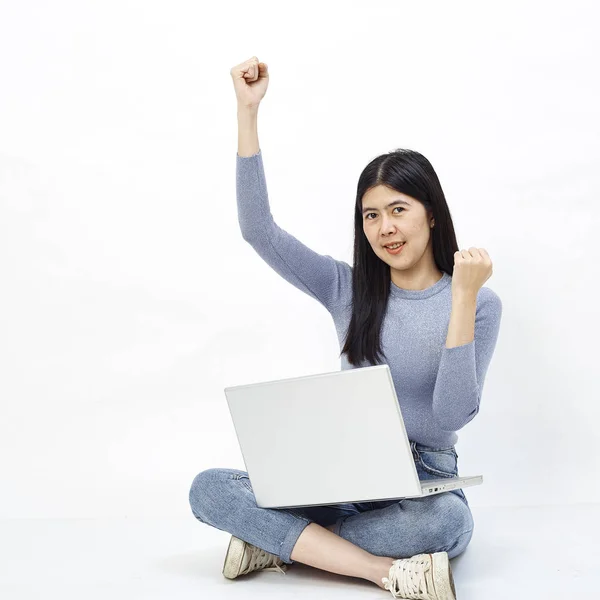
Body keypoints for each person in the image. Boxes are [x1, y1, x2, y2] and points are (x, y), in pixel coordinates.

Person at [188, 56, 502, 599]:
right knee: (208, 490)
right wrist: (247, 113)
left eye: (398, 210)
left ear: (431, 213)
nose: (385, 228)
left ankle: (278, 542)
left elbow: (452, 415)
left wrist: (462, 298)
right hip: (336, 473)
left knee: (447, 525)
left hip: (423, 482)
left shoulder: (479, 301)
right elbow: (258, 231)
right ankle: (380, 571)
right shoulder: (347, 288)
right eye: (371, 215)